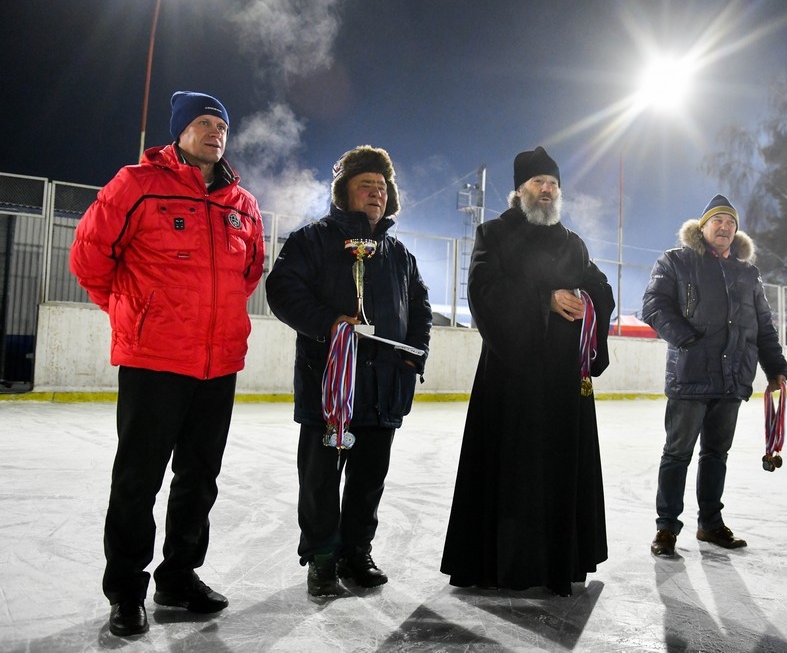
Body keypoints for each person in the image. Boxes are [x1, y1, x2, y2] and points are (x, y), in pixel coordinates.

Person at [69, 91, 265, 637]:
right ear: (178, 132)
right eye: (203, 123)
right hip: (154, 359)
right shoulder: (135, 184)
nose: (215, 133)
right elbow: (89, 257)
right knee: (138, 479)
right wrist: (136, 314)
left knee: (199, 479)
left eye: (221, 126)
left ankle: (179, 576)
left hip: (218, 361)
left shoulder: (242, 204)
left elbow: (250, 273)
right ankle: (126, 591)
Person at [440, 146, 615, 597]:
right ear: (519, 190)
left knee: (560, 472)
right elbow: (483, 290)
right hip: (512, 380)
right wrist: (546, 300)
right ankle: (505, 567)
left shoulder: (572, 241)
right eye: (538, 182)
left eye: (553, 184)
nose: (547, 190)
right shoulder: (493, 233)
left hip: (563, 381)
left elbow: (600, 288)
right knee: (511, 471)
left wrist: (587, 302)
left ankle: (560, 563)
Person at [265, 145, 431, 598]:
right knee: (320, 479)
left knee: (368, 478)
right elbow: (280, 290)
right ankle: (321, 558)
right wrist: (327, 323)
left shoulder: (399, 254)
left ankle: (357, 551)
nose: (376, 193)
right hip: (329, 387)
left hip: (382, 390)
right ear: (343, 192)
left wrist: (415, 353)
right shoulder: (311, 240)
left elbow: (420, 308)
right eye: (366, 186)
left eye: (382, 187)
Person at [640, 194, 787, 557]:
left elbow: (763, 326)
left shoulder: (747, 273)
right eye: (717, 221)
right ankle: (666, 528)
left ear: (737, 232)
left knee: (716, 454)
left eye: (731, 223)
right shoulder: (675, 262)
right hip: (690, 374)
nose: (724, 227)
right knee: (677, 454)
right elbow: (654, 305)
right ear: (702, 227)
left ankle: (710, 524)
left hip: (733, 377)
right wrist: (686, 338)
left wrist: (776, 368)